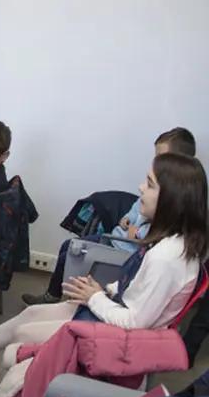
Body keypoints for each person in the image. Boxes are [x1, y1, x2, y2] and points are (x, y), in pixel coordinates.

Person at [0, 153, 208, 397]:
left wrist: (95, 298)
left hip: (117, 338)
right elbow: (141, 290)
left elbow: (136, 323)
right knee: (31, 314)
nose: (141, 188)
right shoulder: (174, 244)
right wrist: (104, 291)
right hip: (113, 317)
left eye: (149, 184)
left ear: (172, 199)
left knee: (19, 341)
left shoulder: (166, 258)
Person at [23, 127, 197, 306]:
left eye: (161, 157)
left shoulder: (174, 203)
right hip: (115, 239)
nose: (142, 187)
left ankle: (56, 300)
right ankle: (54, 295)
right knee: (68, 246)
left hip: (124, 250)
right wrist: (127, 219)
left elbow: (153, 236)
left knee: (67, 256)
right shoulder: (157, 188)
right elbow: (136, 208)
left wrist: (136, 233)